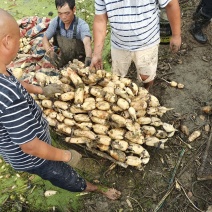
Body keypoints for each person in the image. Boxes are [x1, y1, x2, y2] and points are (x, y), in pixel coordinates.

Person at [0, 9, 121, 200]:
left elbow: (15, 82)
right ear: (7, 41)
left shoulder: (3, 73)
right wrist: (66, 156)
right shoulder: (9, 97)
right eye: (17, 37)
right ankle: (94, 188)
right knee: (66, 176)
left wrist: (41, 90)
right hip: (33, 158)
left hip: (15, 146)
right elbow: (30, 146)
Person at [90, 0, 181, 90]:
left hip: (147, 42)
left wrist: (176, 35)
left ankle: (146, 90)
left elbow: (171, 4)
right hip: (119, 44)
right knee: (117, 77)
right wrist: (97, 53)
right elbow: (100, 20)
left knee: (147, 76)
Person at [43, 0, 92, 68]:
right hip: (62, 57)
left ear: (74, 9)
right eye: (60, 13)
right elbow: (45, 38)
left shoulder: (81, 25)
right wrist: (50, 52)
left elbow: (87, 43)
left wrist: (89, 57)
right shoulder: (56, 22)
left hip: (79, 62)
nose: (63, 17)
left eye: (67, 13)